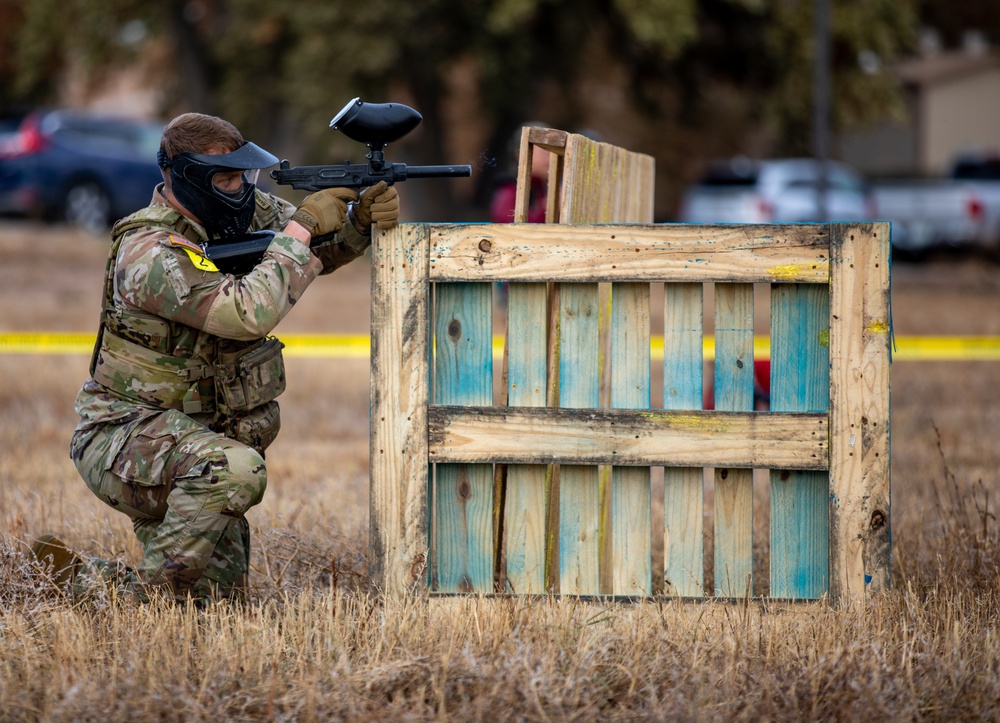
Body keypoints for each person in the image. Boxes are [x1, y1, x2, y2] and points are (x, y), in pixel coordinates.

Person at [32, 112, 399, 606]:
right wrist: (302, 227)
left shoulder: (234, 213)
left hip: (187, 442)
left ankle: (80, 581)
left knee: (215, 604)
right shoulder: (150, 251)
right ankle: (149, 601)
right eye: (227, 179)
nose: (241, 189)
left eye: (244, 176)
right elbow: (246, 312)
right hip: (124, 439)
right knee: (235, 472)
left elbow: (303, 254)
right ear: (189, 178)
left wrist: (356, 225)